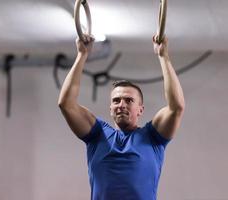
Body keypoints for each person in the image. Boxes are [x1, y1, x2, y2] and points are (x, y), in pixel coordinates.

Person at [58, 34, 185, 200]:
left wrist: (163, 56)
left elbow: (176, 107)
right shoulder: (97, 135)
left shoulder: (153, 137)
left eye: (129, 100)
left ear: (140, 109)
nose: (121, 104)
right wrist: (82, 55)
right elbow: (66, 104)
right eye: (116, 101)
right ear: (111, 108)